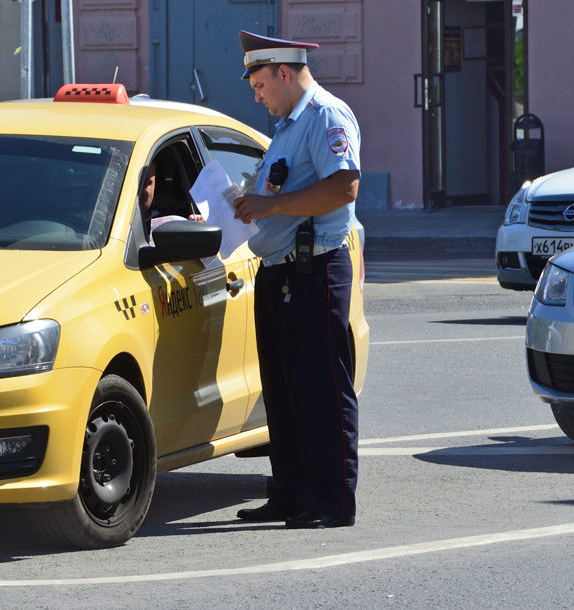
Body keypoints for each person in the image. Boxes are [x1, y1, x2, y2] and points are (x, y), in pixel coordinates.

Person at [229, 31, 361, 529]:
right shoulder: (287, 125)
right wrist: (249, 201)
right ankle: (291, 492)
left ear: (285, 72)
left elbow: (344, 186)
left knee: (322, 390)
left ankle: (333, 501)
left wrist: (272, 204)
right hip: (280, 270)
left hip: (314, 269)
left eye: (260, 84)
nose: (257, 96)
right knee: (282, 392)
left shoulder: (326, 116)